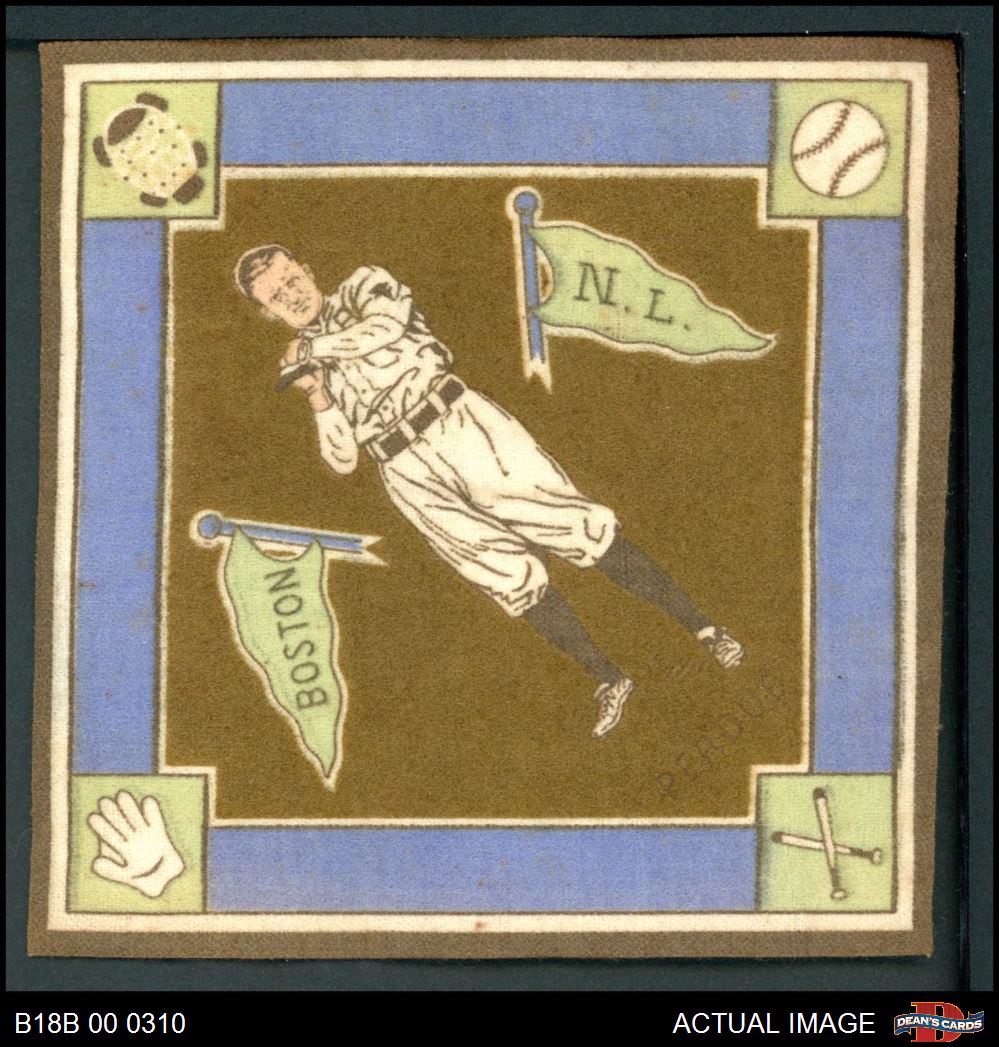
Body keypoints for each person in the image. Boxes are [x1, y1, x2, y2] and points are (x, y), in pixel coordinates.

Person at [234, 244, 744, 740]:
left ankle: (706, 630)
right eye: (277, 296)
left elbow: (384, 328)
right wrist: (317, 395)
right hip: (404, 472)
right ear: (267, 312)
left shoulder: (363, 286)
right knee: (505, 575)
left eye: (293, 280)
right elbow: (343, 461)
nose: (292, 296)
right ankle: (610, 679)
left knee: (576, 526)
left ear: (308, 270)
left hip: (459, 425)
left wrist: (313, 350)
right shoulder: (309, 364)